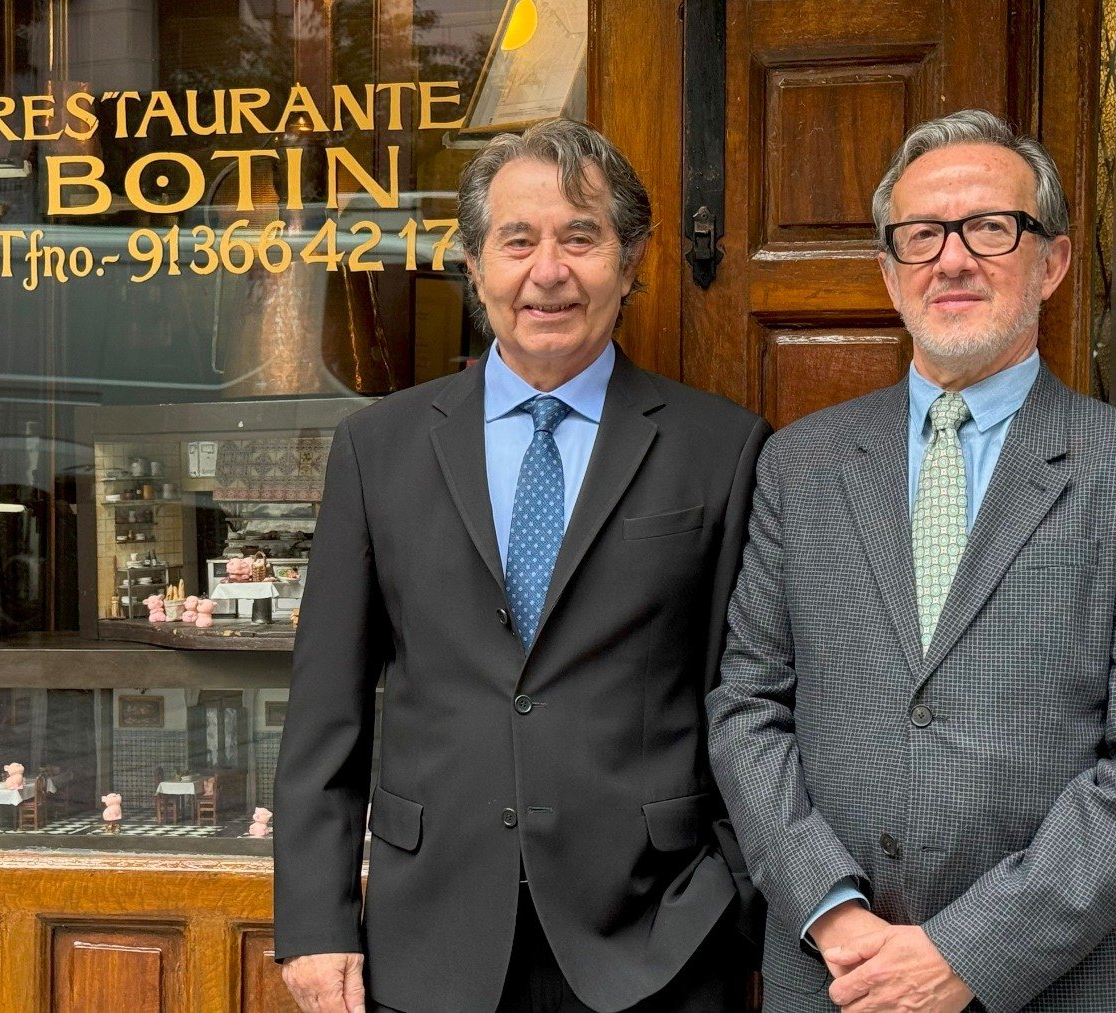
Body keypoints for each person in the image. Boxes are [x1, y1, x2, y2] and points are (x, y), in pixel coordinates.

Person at [707, 107, 1116, 1012]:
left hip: (1053, 984)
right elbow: (748, 706)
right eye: (920, 234)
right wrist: (834, 912)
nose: (952, 258)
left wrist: (966, 953)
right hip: (837, 978)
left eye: (990, 227)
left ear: (1052, 262)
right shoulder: (802, 462)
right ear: (889, 272)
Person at [274, 118, 771, 1013]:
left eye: (581, 237)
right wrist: (315, 922)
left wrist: (735, 898)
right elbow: (325, 713)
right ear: (474, 264)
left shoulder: (721, 449)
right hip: (430, 941)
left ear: (630, 261)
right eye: (518, 241)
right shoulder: (376, 449)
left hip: (657, 941)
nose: (549, 271)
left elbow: (744, 694)